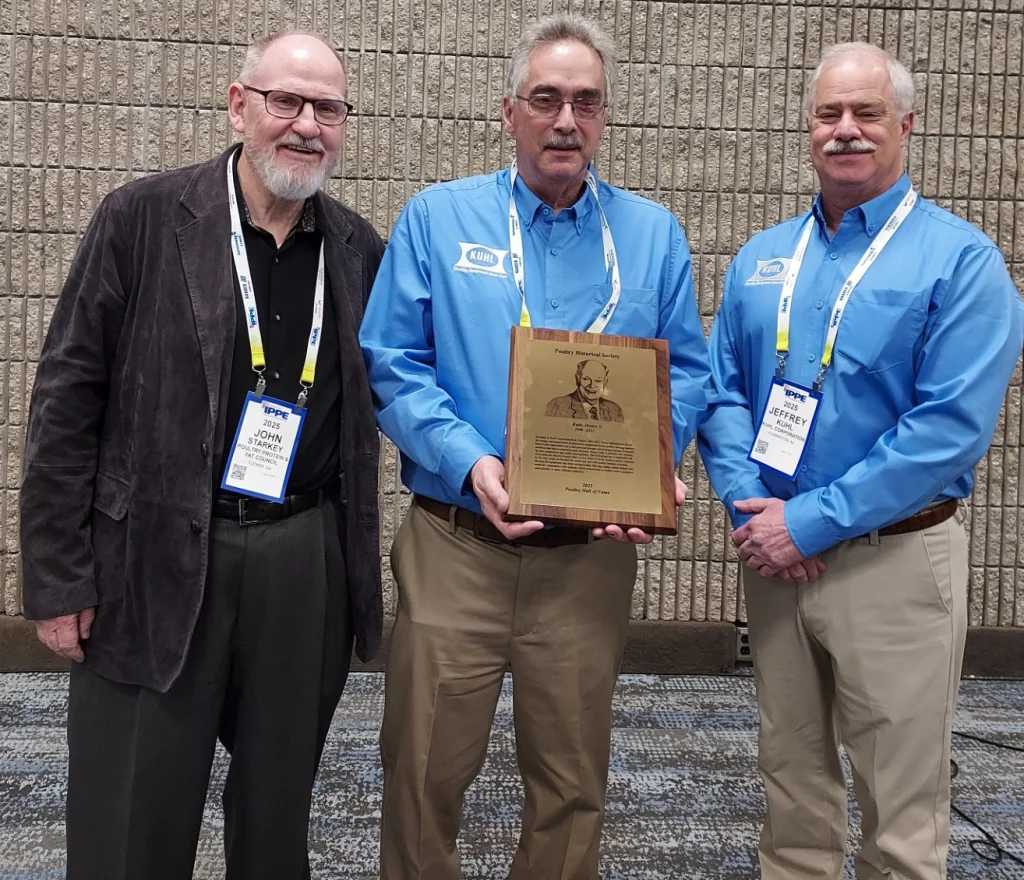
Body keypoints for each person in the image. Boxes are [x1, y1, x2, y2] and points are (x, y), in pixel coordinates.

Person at [19, 31, 385, 880]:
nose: (305, 125)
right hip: (150, 556)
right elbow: (65, 403)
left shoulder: (359, 248)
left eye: (326, 109)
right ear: (238, 104)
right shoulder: (142, 218)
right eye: (285, 101)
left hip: (303, 559)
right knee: (132, 815)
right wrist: (59, 576)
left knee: (276, 815)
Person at [360, 12, 709, 880]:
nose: (566, 120)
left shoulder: (654, 236)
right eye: (546, 99)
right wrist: (469, 460)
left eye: (586, 102)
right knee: (421, 774)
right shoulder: (437, 221)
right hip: (456, 544)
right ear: (508, 111)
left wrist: (655, 464)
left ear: (604, 117)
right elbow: (393, 365)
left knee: (571, 784)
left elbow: (689, 375)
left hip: (589, 562)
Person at [698, 42, 1023, 880]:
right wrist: (749, 505)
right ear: (809, 130)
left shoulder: (963, 262)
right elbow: (722, 391)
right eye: (829, 114)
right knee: (791, 790)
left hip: (894, 561)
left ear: (905, 125)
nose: (845, 130)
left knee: (901, 813)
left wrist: (809, 522)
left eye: (866, 113)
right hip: (772, 559)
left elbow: (946, 431)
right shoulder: (763, 259)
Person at [545, 358, 625, 420]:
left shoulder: (614, 410)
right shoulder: (557, 406)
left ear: (605, 382)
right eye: (586, 379)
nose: (592, 385)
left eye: (598, 380)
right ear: (577, 379)